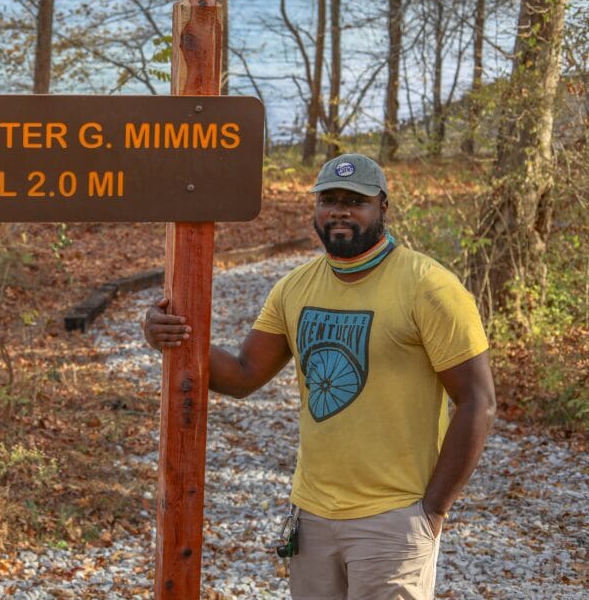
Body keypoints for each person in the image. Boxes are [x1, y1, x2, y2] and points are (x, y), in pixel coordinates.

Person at [142, 153, 495, 599]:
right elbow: (243, 375)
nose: (340, 211)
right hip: (312, 516)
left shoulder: (429, 286)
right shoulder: (295, 287)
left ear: (382, 206)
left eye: (355, 200)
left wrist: (431, 511)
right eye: (329, 200)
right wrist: (174, 338)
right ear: (315, 209)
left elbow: (477, 401)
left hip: (393, 518)